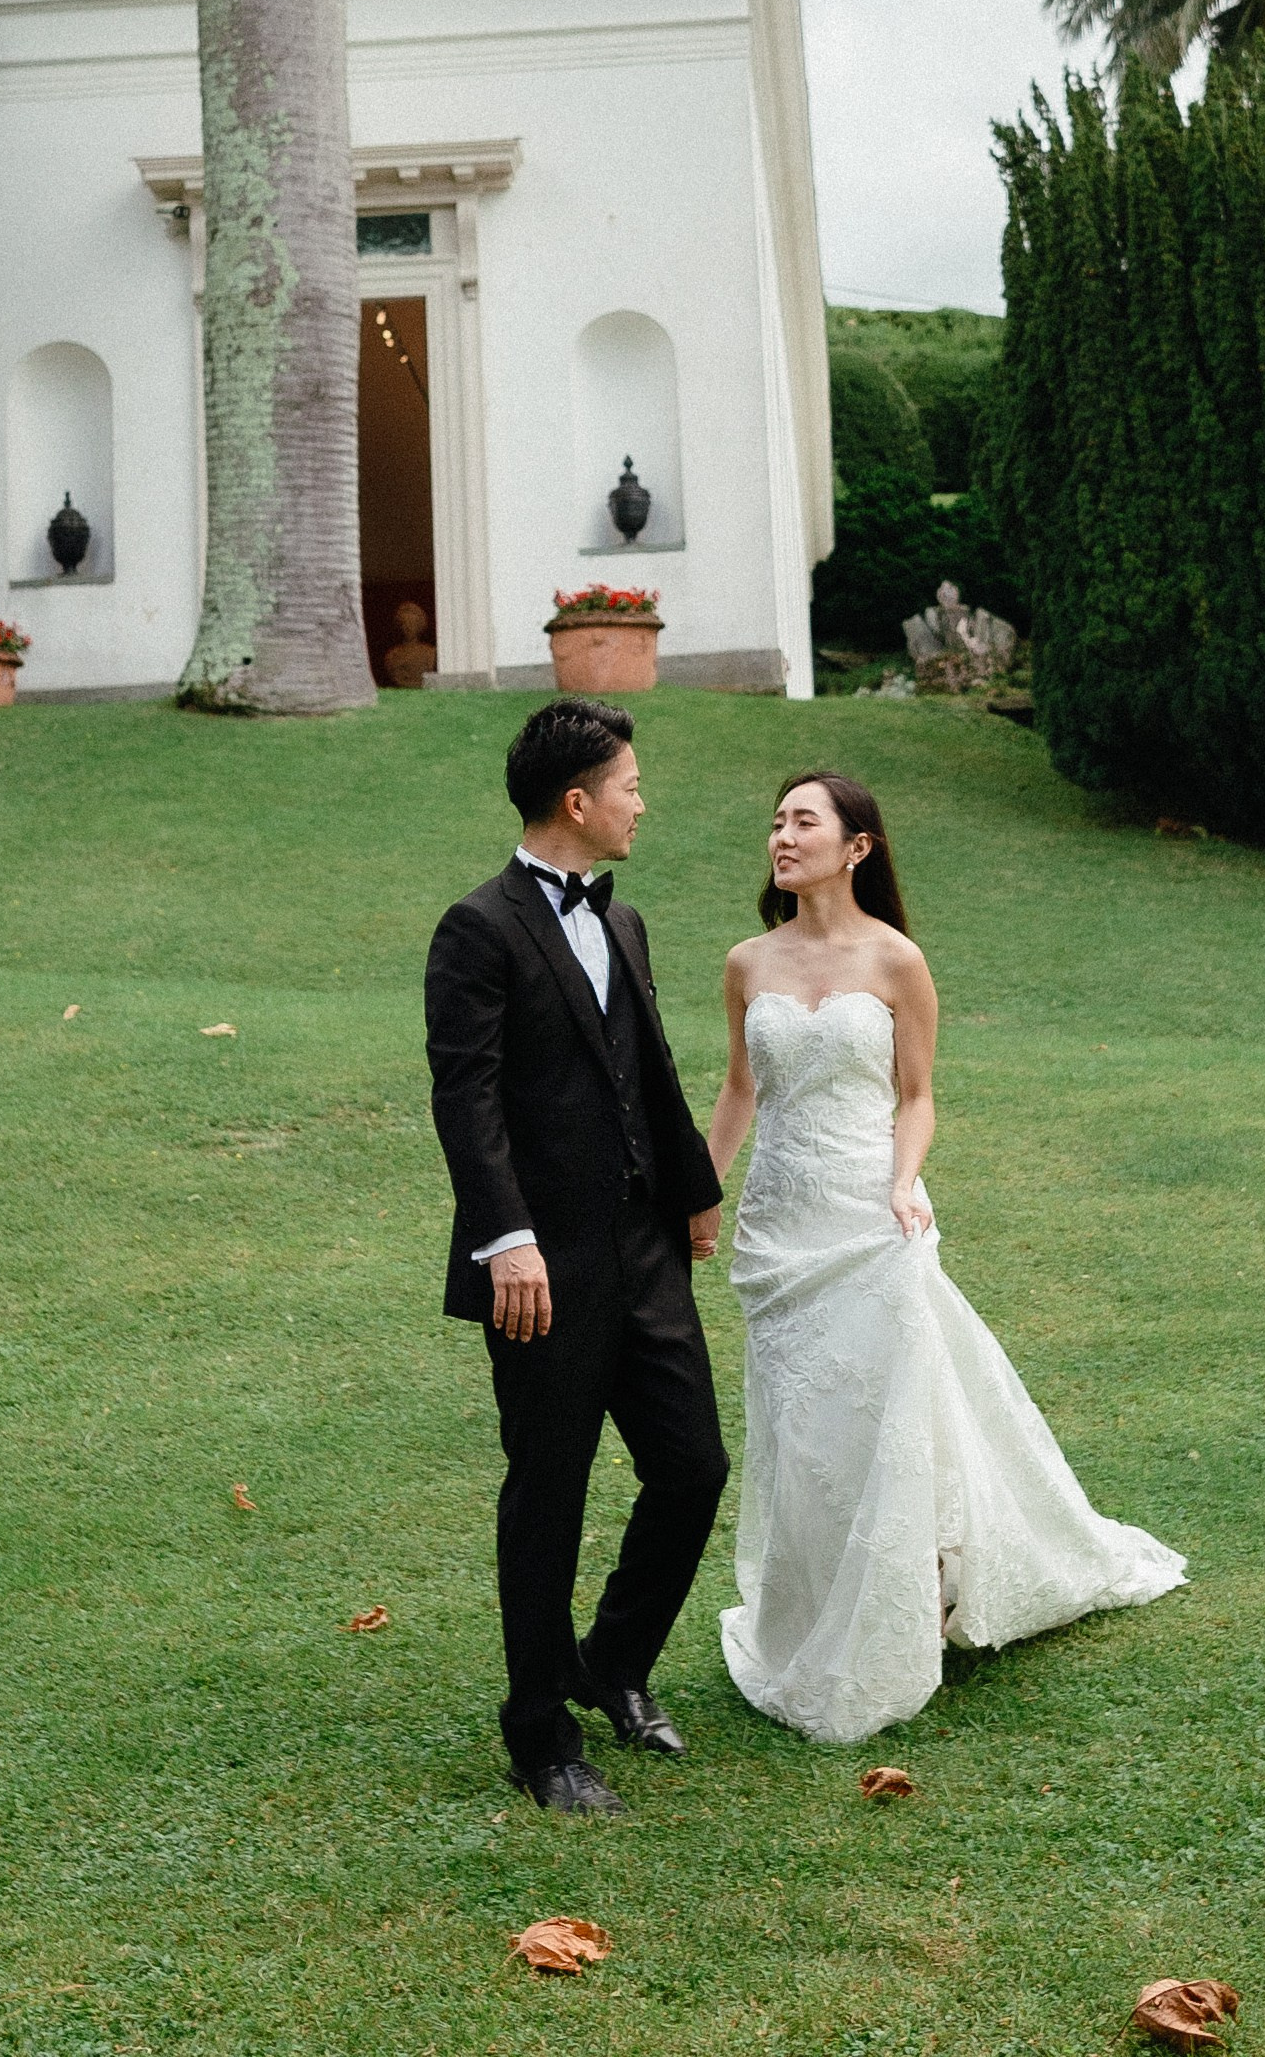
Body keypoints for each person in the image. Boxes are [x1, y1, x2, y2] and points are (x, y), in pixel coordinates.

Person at [709, 770, 1184, 1744]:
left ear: (857, 846)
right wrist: (698, 1194)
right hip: (776, 1229)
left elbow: (917, 1094)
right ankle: (811, 1612)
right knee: (802, 1428)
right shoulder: (747, 961)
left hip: (869, 1221)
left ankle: (915, 1591)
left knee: (885, 1413)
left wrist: (901, 1179)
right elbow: (736, 1091)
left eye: (803, 820)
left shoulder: (897, 961)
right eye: (775, 821)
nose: (781, 836)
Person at [425, 699, 727, 1812]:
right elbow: (468, 1098)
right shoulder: (477, 927)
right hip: (539, 1270)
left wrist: (694, 1198)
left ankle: (612, 1660)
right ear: (577, 801)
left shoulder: (625, 923)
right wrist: (506, 1241)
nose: (643, 803)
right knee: (548, 1492)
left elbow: (649, 1069)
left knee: (692, 1466)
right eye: (632, 785)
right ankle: (541, 1736)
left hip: (646, 1249)